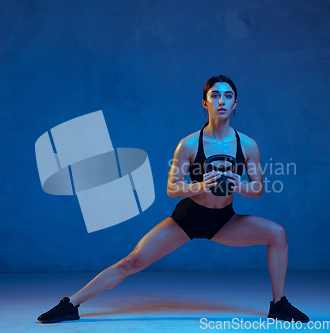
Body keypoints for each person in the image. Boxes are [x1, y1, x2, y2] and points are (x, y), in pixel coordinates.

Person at [37, 75, 309, 323]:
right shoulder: (189, 144)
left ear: (236, 103)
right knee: (131, 262)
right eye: (215, 95)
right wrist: (200, 185)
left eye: (228, 96)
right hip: (187, 218)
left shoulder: (248, 145)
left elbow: (259, 189)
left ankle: (279, 304)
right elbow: (171, 188)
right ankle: (71, 304)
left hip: (224, 221)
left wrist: (240, 185)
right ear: (205, 103)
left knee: (278, 234)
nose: (222, 101)